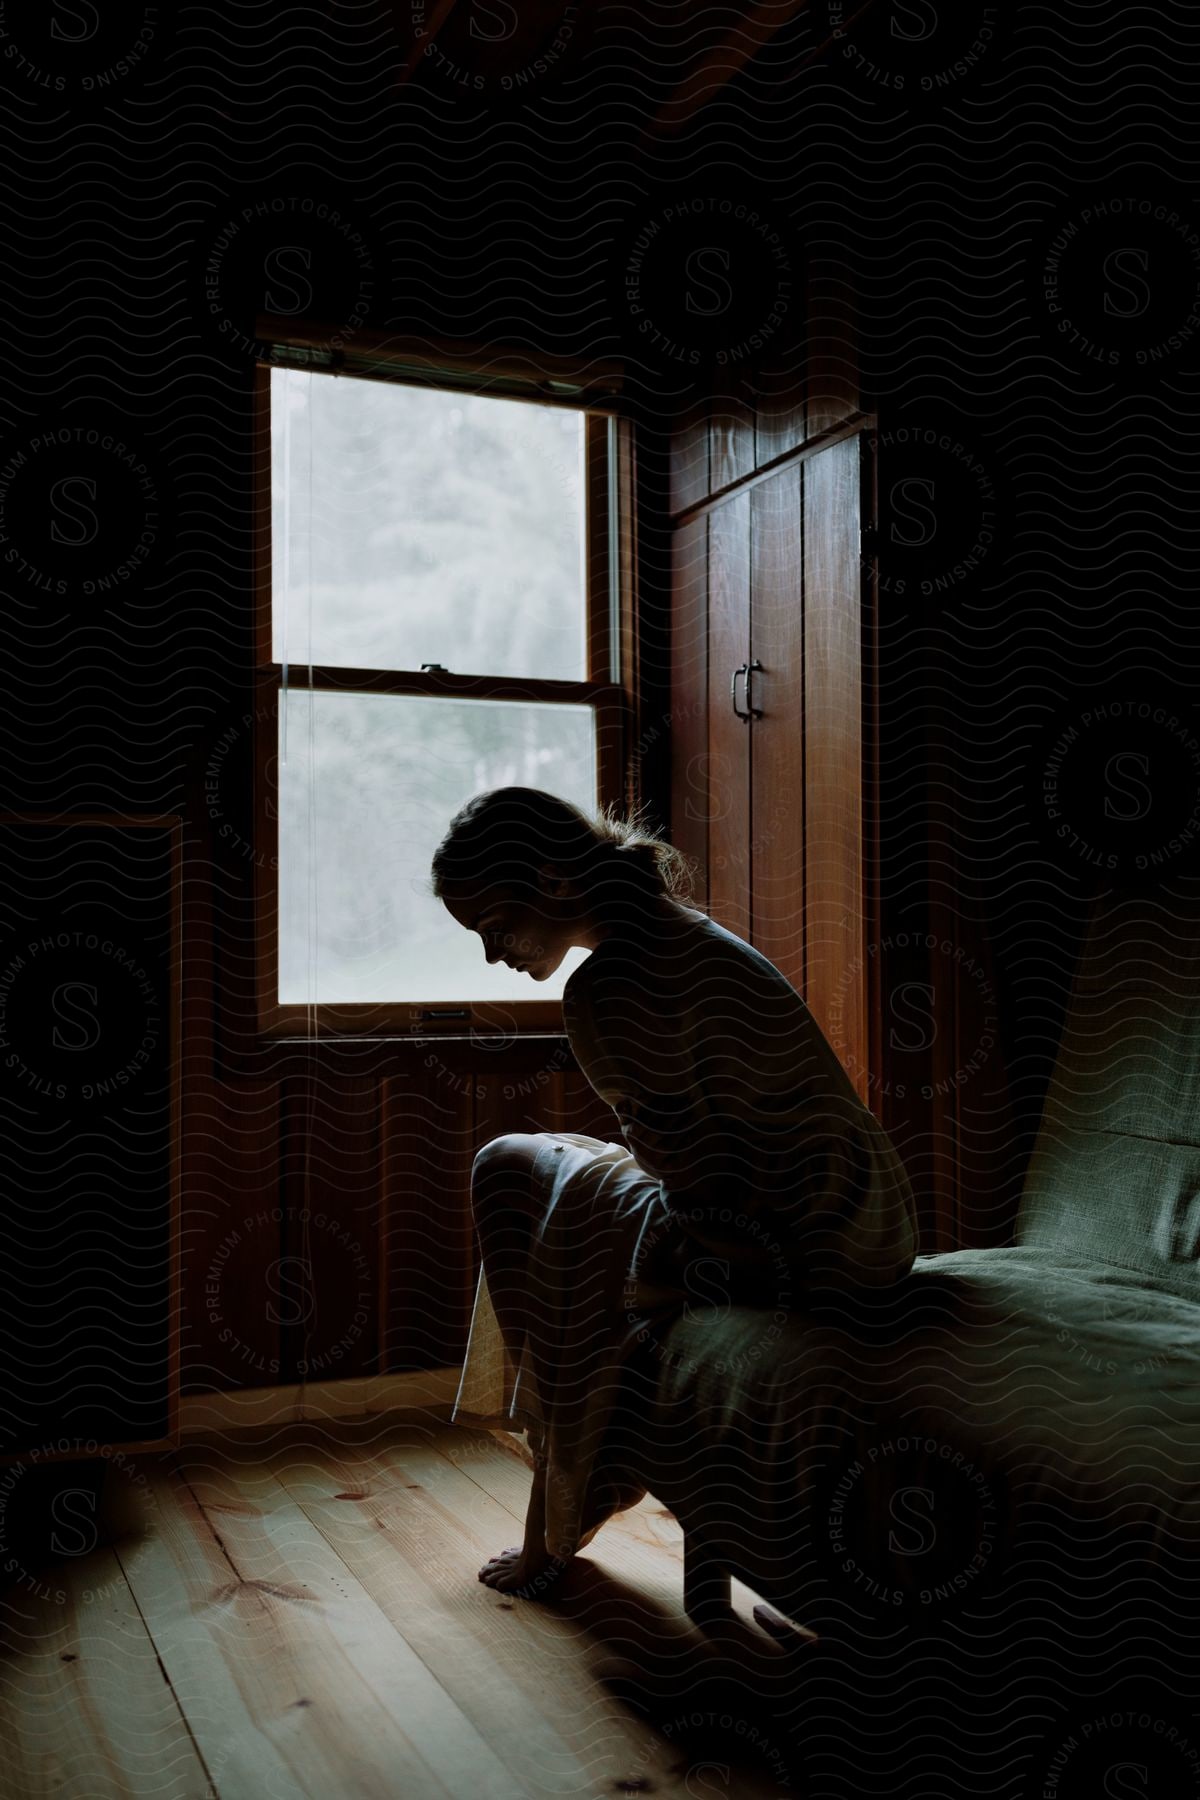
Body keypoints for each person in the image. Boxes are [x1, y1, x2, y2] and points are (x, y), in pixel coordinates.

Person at [432, 785, 919, 1597]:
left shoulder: (606, 990)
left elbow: (700, 1185)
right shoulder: (686, 930)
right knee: (557, 1183)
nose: (492, 956)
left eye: (494, 928)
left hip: (789, 1239)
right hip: (868, 1221)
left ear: (552, 881)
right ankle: (568, 1484)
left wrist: (649, 1269)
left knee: (509, 1173)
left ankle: (562, 1500)